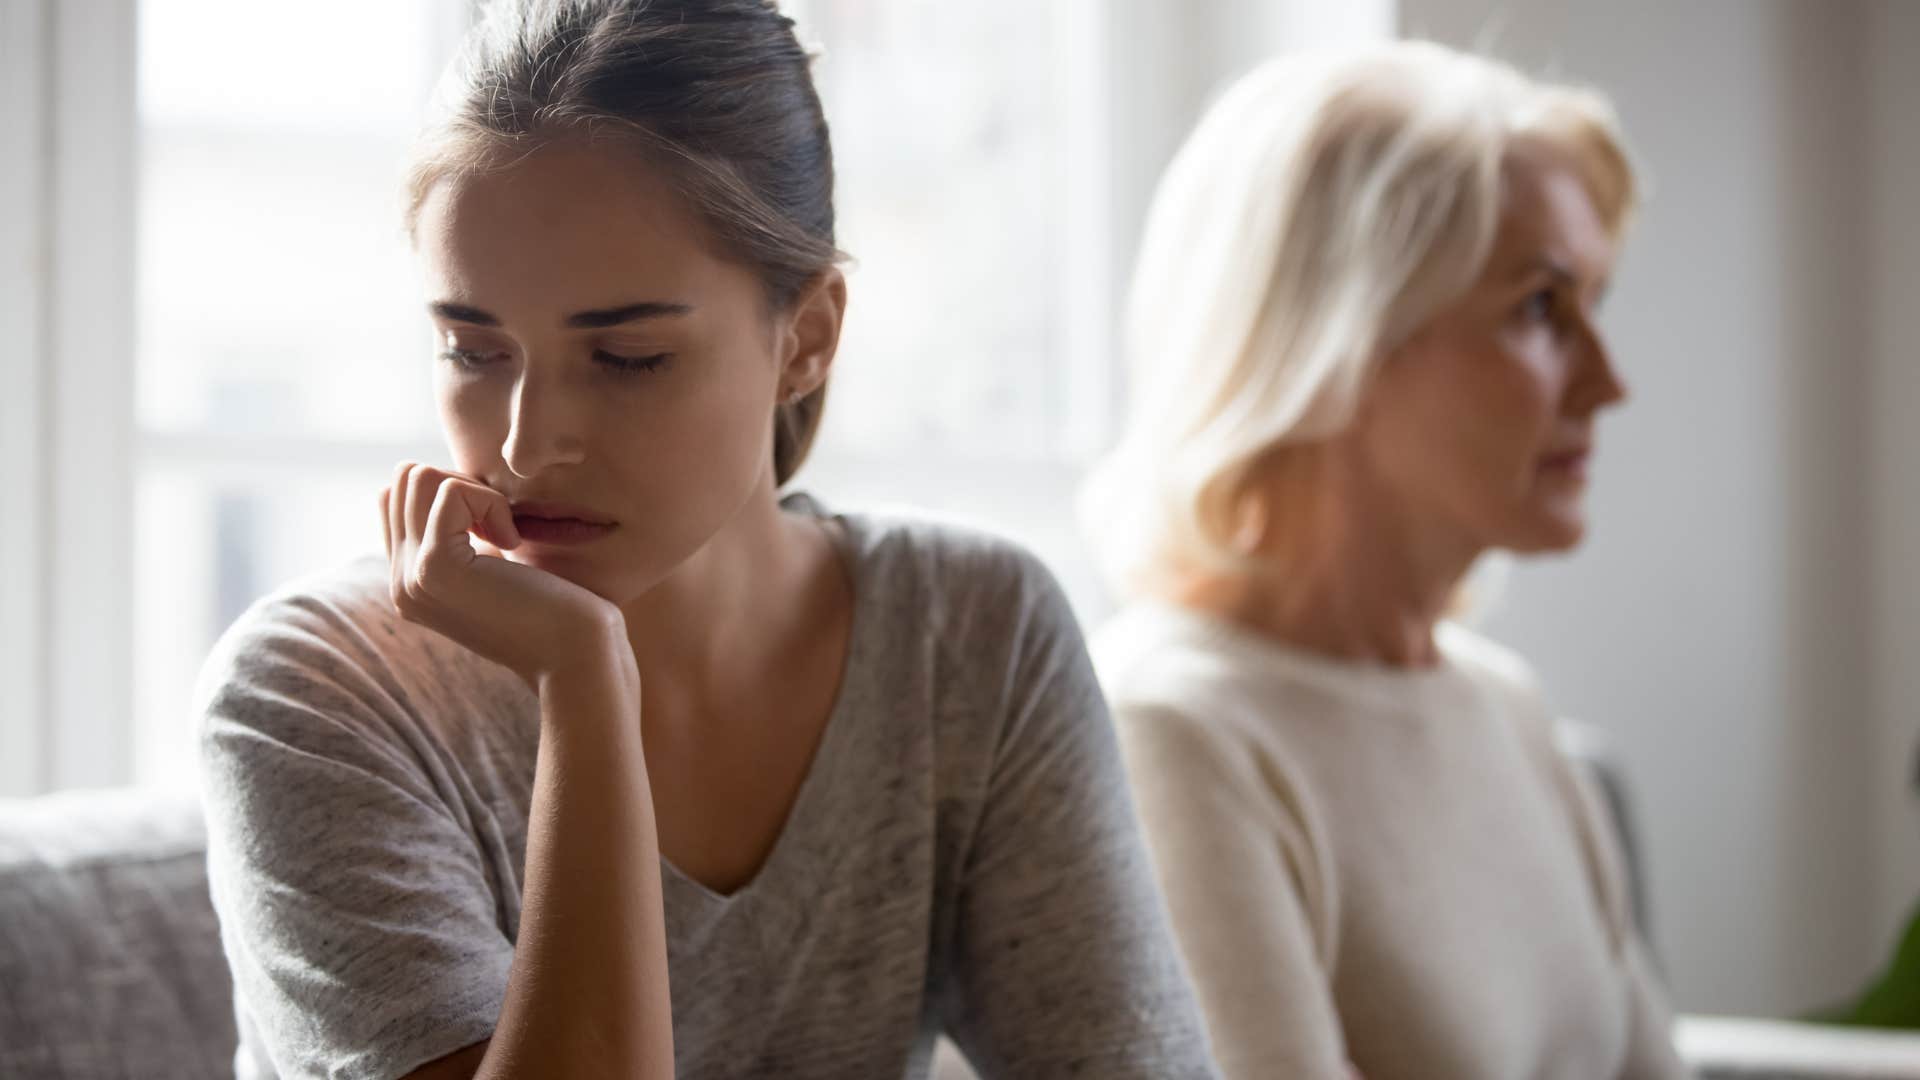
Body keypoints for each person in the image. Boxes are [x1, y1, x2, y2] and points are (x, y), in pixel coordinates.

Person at [195, 2, 1217, 1076]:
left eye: (627, 357)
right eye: (471, 349)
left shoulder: (967, 634)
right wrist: (587, 683)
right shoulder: (309, 696)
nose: (527, 445)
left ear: (807, 339)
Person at [1082, 41, 1688, 1080]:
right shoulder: (1172, 735)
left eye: (1596, 302)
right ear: (1340, 342)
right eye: (1542, 308)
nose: (1608, 381)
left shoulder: (1504, 707)